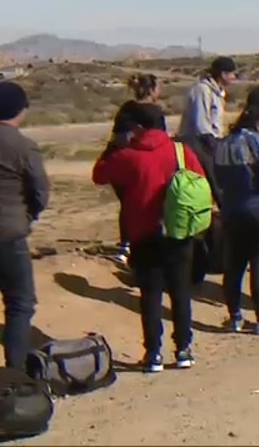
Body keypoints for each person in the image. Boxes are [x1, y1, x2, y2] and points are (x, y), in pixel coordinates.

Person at [92, 102, 204, 372]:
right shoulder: (181, 151)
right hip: (178, 231)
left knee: (150, 295)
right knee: (180, 292)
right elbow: (199, 179)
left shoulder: (128, 156)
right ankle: (183, 350)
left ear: (139, 128)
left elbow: (99, 175)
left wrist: (113, 145)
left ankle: (153, 354)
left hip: (143, 233)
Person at [212, 106, 259, 335]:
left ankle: (235, 317)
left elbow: (217, 178)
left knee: (234, 265)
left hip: (233, 209)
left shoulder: (222, 145)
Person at [0, 82, 49, 370]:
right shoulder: (23, 145)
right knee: (19, 305)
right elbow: (40, 192)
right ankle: (14, 377)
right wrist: (27, 217)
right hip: (9, 236)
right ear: (19, 110)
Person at [108, 73, 167, 265]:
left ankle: (125, 245)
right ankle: (143, 245)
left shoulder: (126, 109)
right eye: (158, 87)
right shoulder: (154, 112)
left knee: (127, 204)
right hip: (142, 164)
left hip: (120, 162)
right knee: (150, 205)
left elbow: (116, 137)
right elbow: (160, 142)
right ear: (151, 90)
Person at [177, 56, 237, 202]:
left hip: (210, 141)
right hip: (200, 143)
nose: (234, 77)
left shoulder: (217, 92)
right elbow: (201, 123)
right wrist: (214, 146)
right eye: (232, 73)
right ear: (223, 74)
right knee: (215, 183)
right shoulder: (202, 90)